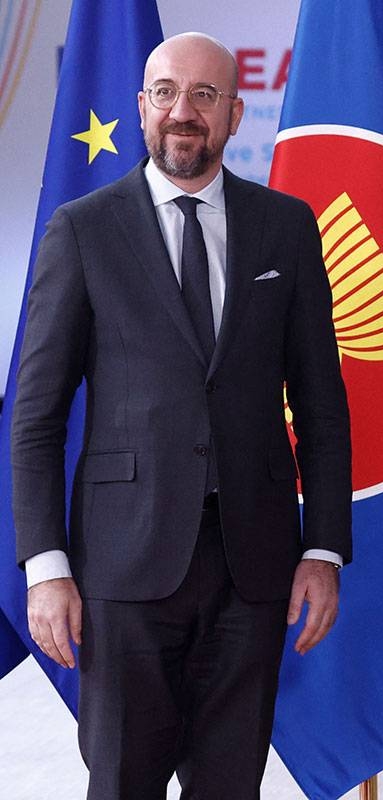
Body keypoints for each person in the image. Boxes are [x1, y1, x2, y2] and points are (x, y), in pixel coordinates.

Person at [11, 32, 351, 798]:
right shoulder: (84, 228)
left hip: (254, 564)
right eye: (165, 93)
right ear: (141, 109)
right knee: (123, 780)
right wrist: (46, 568)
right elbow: (35, 415)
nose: (183, 112)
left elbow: (323, 405)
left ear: (234, 112)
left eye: (204, 95)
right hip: (121, 568)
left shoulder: (287, 227)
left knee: (231, 785)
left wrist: (325, 551)